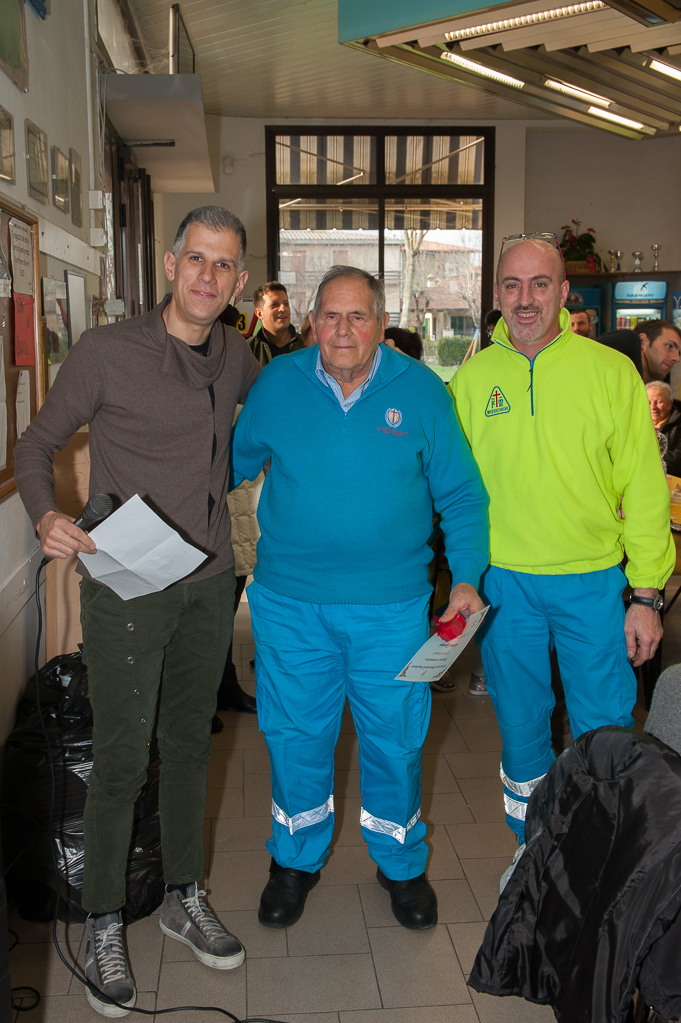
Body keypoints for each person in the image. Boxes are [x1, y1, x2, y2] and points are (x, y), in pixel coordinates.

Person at [14, 206, 260, 1018]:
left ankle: (185, 893)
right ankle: (104, 918)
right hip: (124, 578)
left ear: (239, 281)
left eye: (222, 265)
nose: (206, 276)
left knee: (188, 744)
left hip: (207, 579)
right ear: (169, 262)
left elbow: (261, 437)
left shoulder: (239, 357)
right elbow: (35, 443)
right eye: (196, 258)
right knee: (122, 755)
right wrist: (46, 514)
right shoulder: (106, 351)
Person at [232, 265, 489, 931]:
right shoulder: (277, 385)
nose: (342, 330)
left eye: (357, 316)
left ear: (381, 323)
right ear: (311, 322)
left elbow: (462, 496)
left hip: (392, 609)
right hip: (290, 605)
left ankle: (399, 862)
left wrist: (465, 576)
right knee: (294, 736)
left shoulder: (422, 392)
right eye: (330, 315)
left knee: (394, 741)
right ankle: (294, 859)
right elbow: (227, 465)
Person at [449, 233, 675, 843]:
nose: (525, 299)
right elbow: (453, 492)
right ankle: (532, 854)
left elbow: (644, 488)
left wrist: (646, 594)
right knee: (522, 730)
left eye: (540, 284)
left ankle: (598, 856)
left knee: (605, 730)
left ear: (564, 292)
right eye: (513, 285)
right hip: (505, 585)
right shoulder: (471, 382)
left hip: (593, 580)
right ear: (498, 294)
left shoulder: (611, 373)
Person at [248, 281, 303, 365]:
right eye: (275, 305)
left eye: (286, 303)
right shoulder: (248, 350)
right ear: (259, 314)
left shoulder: (307, 345)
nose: (283, 308)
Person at [647, 379, 681, 476]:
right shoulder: (635, 423)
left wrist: (649, 456)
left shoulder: (678, 426)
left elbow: (678, 459)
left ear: (670, 404)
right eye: (648, 402)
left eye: (658, 402)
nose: (653, 407)